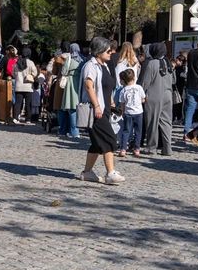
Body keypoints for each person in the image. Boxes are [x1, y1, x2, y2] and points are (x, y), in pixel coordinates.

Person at [77, 37, 125, 184]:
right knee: (109, 139)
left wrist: (111, 102)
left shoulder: (104, 65)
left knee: (97, 143)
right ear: (99, 51)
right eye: (108, 50)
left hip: (105, 108)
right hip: (95, 109)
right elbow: (89, 85)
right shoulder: (90, 66)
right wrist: (97, 105)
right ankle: (110, 173)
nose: (111, 53)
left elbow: (106, 86)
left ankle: (87, 172)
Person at [140, 42, 175, 155]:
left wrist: (141, 94)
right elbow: (174, 81)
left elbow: (146, 82)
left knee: (152, 121)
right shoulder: (168, 62)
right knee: (166, 122)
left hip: (154, 95)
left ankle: (151, 147)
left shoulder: (152, 63)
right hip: (168, 95)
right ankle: (167, 148)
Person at [117, 68, 146, 157]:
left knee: (126, 131)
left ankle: (123, 149)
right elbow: (143, 99)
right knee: (138, 131)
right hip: (138, 112)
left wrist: (122, 111)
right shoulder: (139, 87)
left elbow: (122, 103)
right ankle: (137, 149)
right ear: (134, 78)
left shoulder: (123, 90)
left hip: (128, 112)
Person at [56, 43, 82, 139]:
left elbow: (64, 71)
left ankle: (73, 131)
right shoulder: (82, 59)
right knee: (76, 107)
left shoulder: (70, 59)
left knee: (71, 108)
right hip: (79, 84)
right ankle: (75, 130)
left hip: (70, 83)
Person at [12, 47, 38, 123]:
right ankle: (28, 119)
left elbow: (13, 74)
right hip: (28, 86)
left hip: (18, 86)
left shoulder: (17, 63)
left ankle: (16, 117)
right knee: (28, 103)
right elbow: (35, 73)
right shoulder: (31, 63)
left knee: (18, 103)